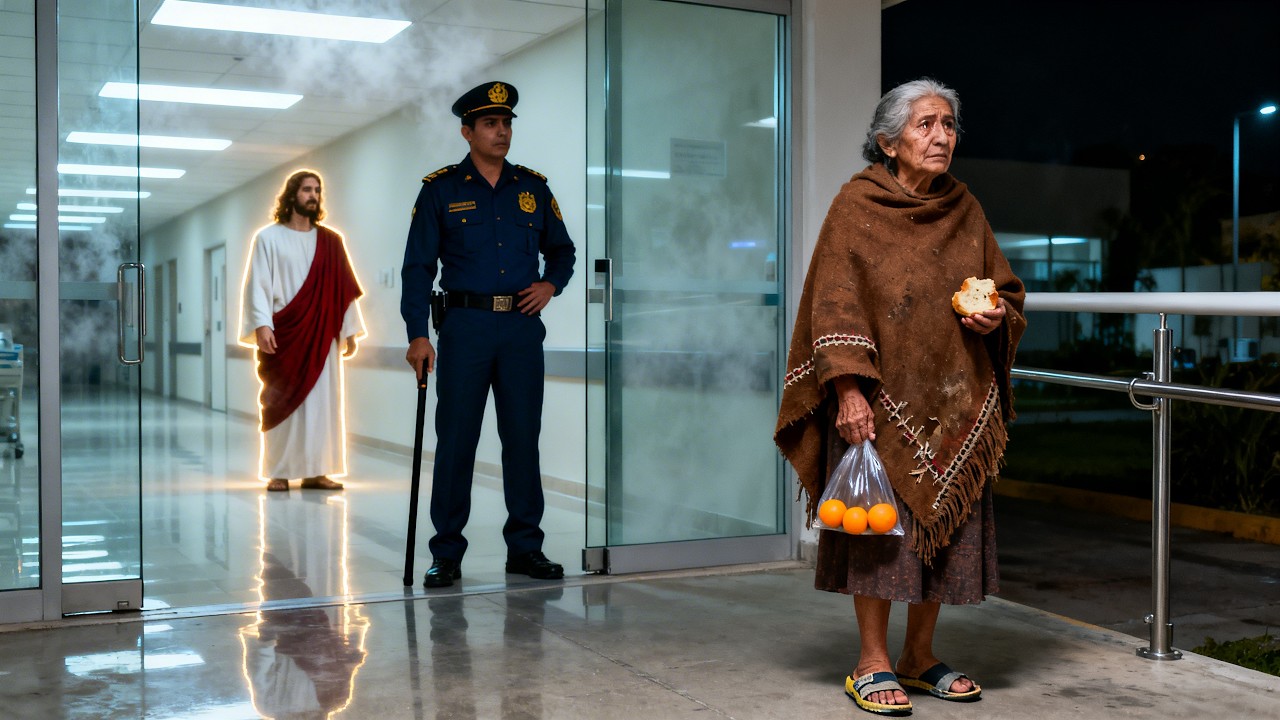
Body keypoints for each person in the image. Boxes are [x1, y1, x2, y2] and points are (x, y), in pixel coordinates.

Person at [774, 78, 1026, 715]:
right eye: (926, 125)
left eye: (948, 124)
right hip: (875, 402)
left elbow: (1004, 288)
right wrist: (849, 390)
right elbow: (833, 304)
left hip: (954, 400)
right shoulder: (856, 207)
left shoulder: (964, 207)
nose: (942, 136)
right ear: (889, 142)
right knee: (882, 535)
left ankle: (918, 656)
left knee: (944, 530)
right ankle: (871, 662)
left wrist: (997, 316)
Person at [401, 81, 576, 588]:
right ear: (467, 131)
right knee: (456, 440)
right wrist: (417, 333)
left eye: (507, 124)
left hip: (521, 329)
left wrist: (550, 284)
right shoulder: (440, 190)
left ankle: (525, 548)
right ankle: (447, 553)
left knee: (523, 439)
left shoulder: (533, 188)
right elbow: (418, 268)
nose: (502, 132)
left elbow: (561, 251)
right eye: (491, 124)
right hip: (465, 328)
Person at [239, 169, 365, 493]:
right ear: (292, 194)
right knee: (280, 403)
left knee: (323, 407)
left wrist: (350, 330)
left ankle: (318, 471)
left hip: (323, 337)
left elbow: (343, 290)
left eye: (317, 190)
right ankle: (278, 471)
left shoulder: (331, 242)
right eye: (307, 189)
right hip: (285, 335)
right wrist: (262, 324)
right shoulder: (267, 238)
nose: (313, 195)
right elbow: (259, 286)